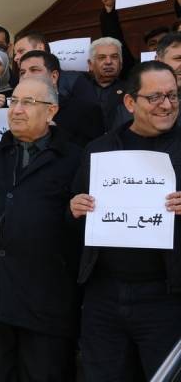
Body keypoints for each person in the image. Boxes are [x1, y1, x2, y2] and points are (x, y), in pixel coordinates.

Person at [70, 61, 181, 381]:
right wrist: (75, 208)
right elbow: (74, 217)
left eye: (173, 96)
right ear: (130, 102)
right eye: (155, 97)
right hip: (104, 296)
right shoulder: (99, 150)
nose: (167, 105)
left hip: (167, 299)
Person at [0, 77, 82, 381]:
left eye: (28, 103)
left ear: (51, 111)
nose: (16, 109)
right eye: (13, 101)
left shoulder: (74, 158)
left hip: (46, 301)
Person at [19, 50, 105, 146]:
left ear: (54, 77)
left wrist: (55, 134)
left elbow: (93, 151)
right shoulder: (16, 111)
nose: (25, 76)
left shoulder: (86, 111)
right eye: (22, 72)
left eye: (34, 70)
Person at [70, 37, 132, 131]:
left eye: (114, 57)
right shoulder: (78, 92)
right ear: (90, 64)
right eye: (102, 57)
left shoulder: (132, 90)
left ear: (121, 64)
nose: (109, 62)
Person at [12, 30, 80, 98]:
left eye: (21, 51)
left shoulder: (74, 81)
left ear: (40, 48)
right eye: (22, 72)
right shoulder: (17, 87)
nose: (15, 58)